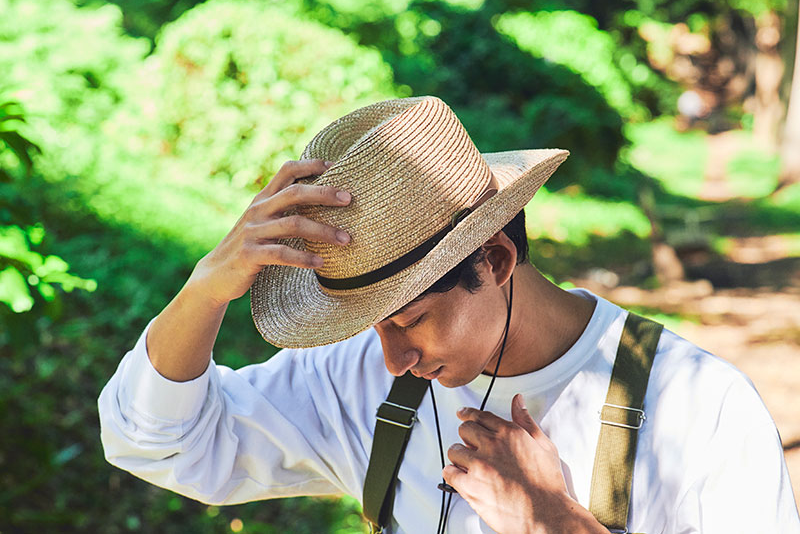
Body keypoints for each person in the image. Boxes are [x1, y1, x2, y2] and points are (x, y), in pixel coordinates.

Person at [99, 96, 800, 533]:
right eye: (367, 323)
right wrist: (203, 291)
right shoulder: (357, 383)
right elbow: (161, 440)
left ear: (494, 261)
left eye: (407, 318)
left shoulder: (699, 407)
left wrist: (553, 522)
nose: (391, 359)